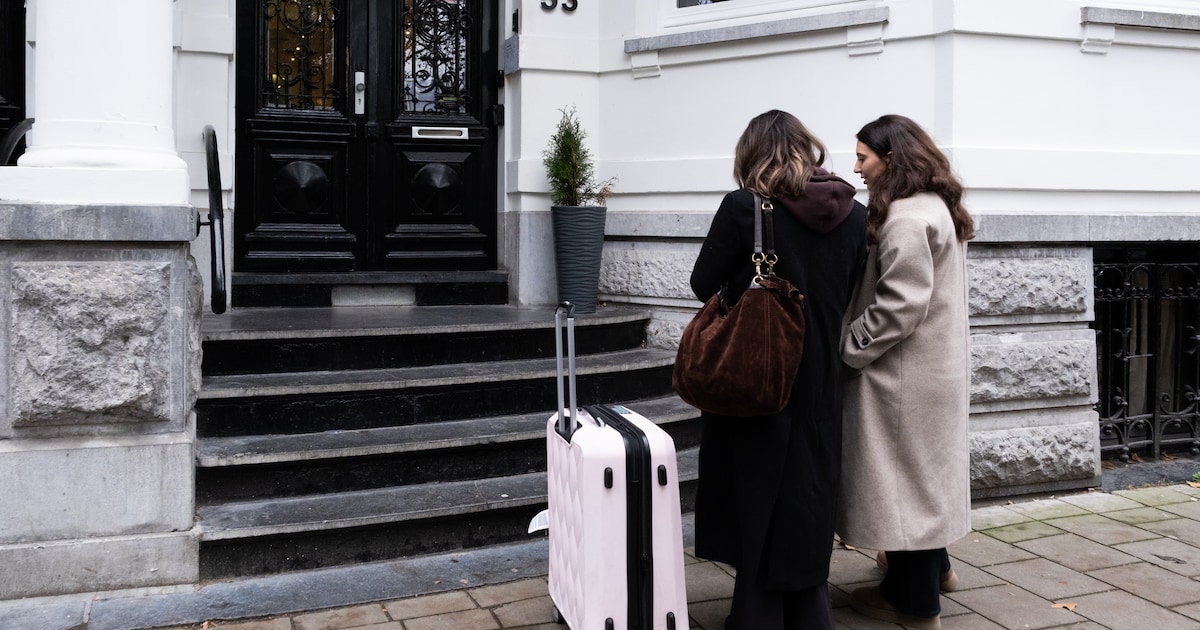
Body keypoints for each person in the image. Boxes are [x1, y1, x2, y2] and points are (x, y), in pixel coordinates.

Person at [689, 110, 868, 630]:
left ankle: (757, 613)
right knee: (808, 485)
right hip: (820, 374)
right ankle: (809, 610)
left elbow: (705, 283)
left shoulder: (745, 207)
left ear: (751, 153)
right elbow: (851, 290)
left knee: (755, 483)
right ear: (807, 147)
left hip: (756, 369)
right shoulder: (856, 215)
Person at [838, 114, 975, 630]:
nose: (857, 169)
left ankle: (916, 609)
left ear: (891, 159)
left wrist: (849, 349)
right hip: (932, 373)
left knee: (906, 489)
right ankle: (936, 572)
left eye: (863, 158)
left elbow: (899, 306)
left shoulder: (904, 219)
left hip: (902, 379)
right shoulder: (939, 206)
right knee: (925, 480)